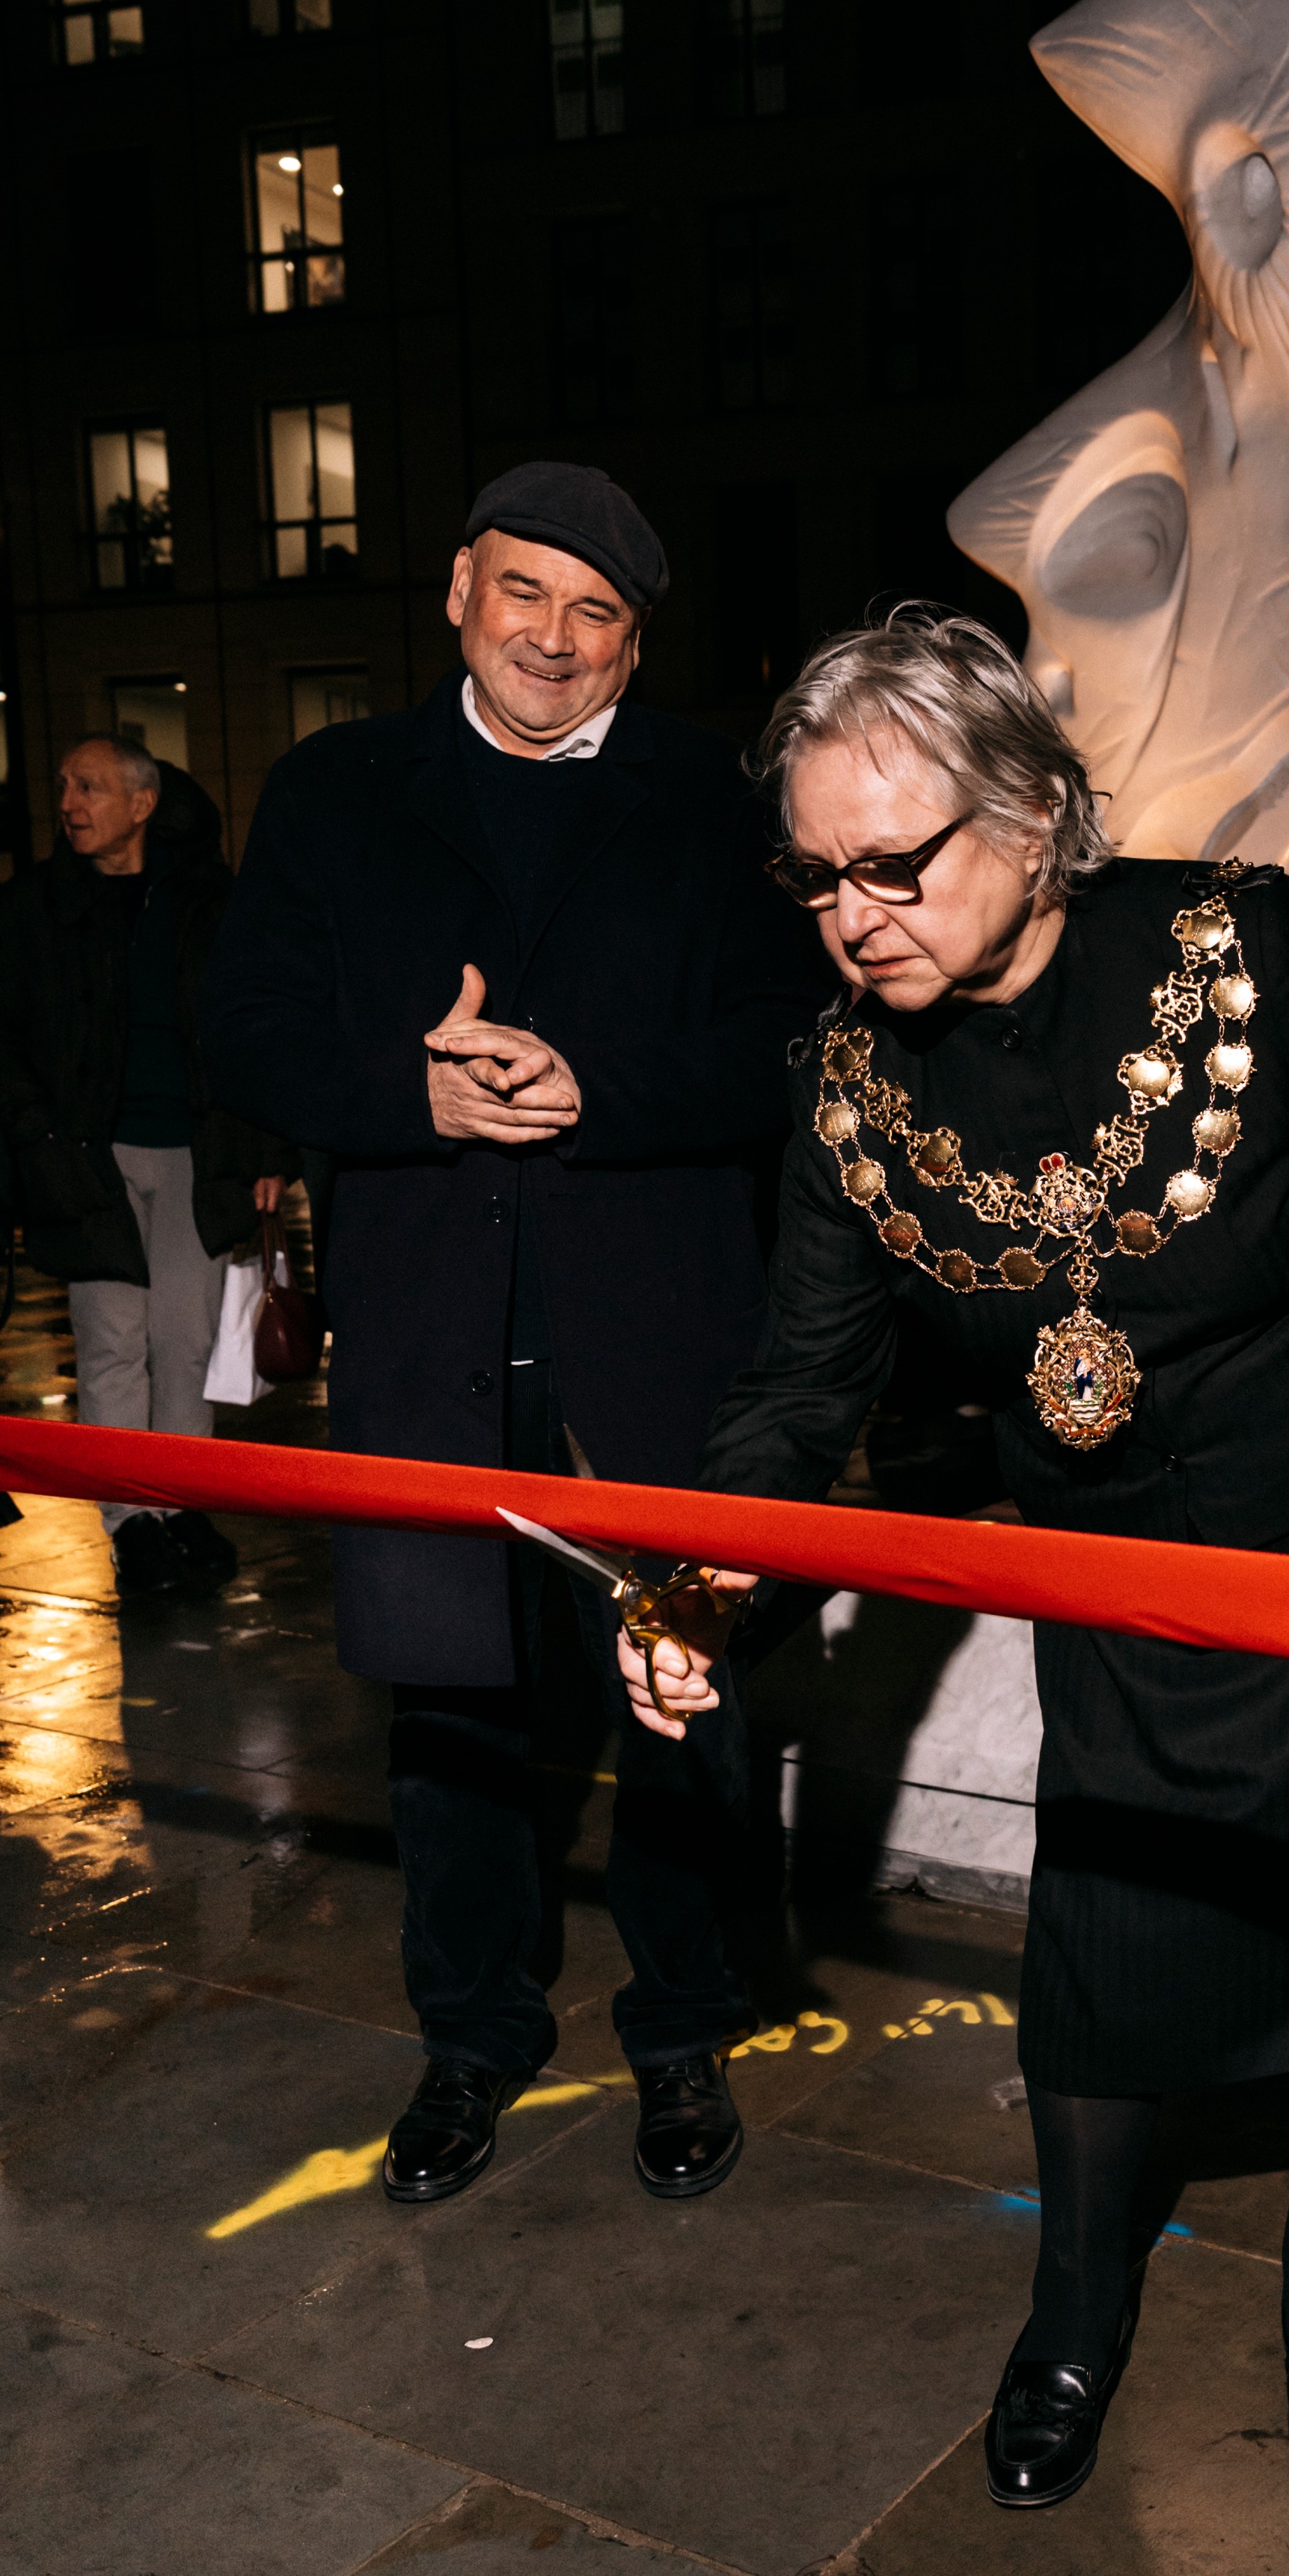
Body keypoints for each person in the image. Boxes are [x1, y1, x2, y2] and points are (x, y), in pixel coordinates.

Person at [619, 607, 1289, 2508]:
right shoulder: (845, 1081)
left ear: (1038, 814)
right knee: (1105, 1909)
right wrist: (703, 1570)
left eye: (894, 863)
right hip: (1117, 1538)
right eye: (815, 874)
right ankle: (1072, 2303)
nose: (852, 911)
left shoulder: (1239, 942)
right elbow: (801, 1374)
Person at [201, 461, 828, 2209]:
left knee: (683, 1706)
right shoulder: (336, 792)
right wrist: (401, 1088)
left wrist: (596, 1090)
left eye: (599, 611)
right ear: (463, 590)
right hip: (428, 1333)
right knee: (451, 1719)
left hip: (659, 1336)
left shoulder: (717, 796)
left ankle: (686, 2026)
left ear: (635, 645)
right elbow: (244, 1027)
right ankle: (470, 2038)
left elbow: (796, 1043)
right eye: (527, 591)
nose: (556, 634)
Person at [0, 737, 290, 1595]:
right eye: (66, 785)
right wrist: (38, 1129)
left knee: (183, 1345)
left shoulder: (208, 901)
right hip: (89, 1162)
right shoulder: (40, 906)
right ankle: (130, 1522)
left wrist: (266, 1149)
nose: (69, 801)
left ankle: (179, 1500)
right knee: (113, 1343)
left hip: (200, 1153)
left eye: (90, 786)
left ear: (143, 804)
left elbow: (251, 1026)